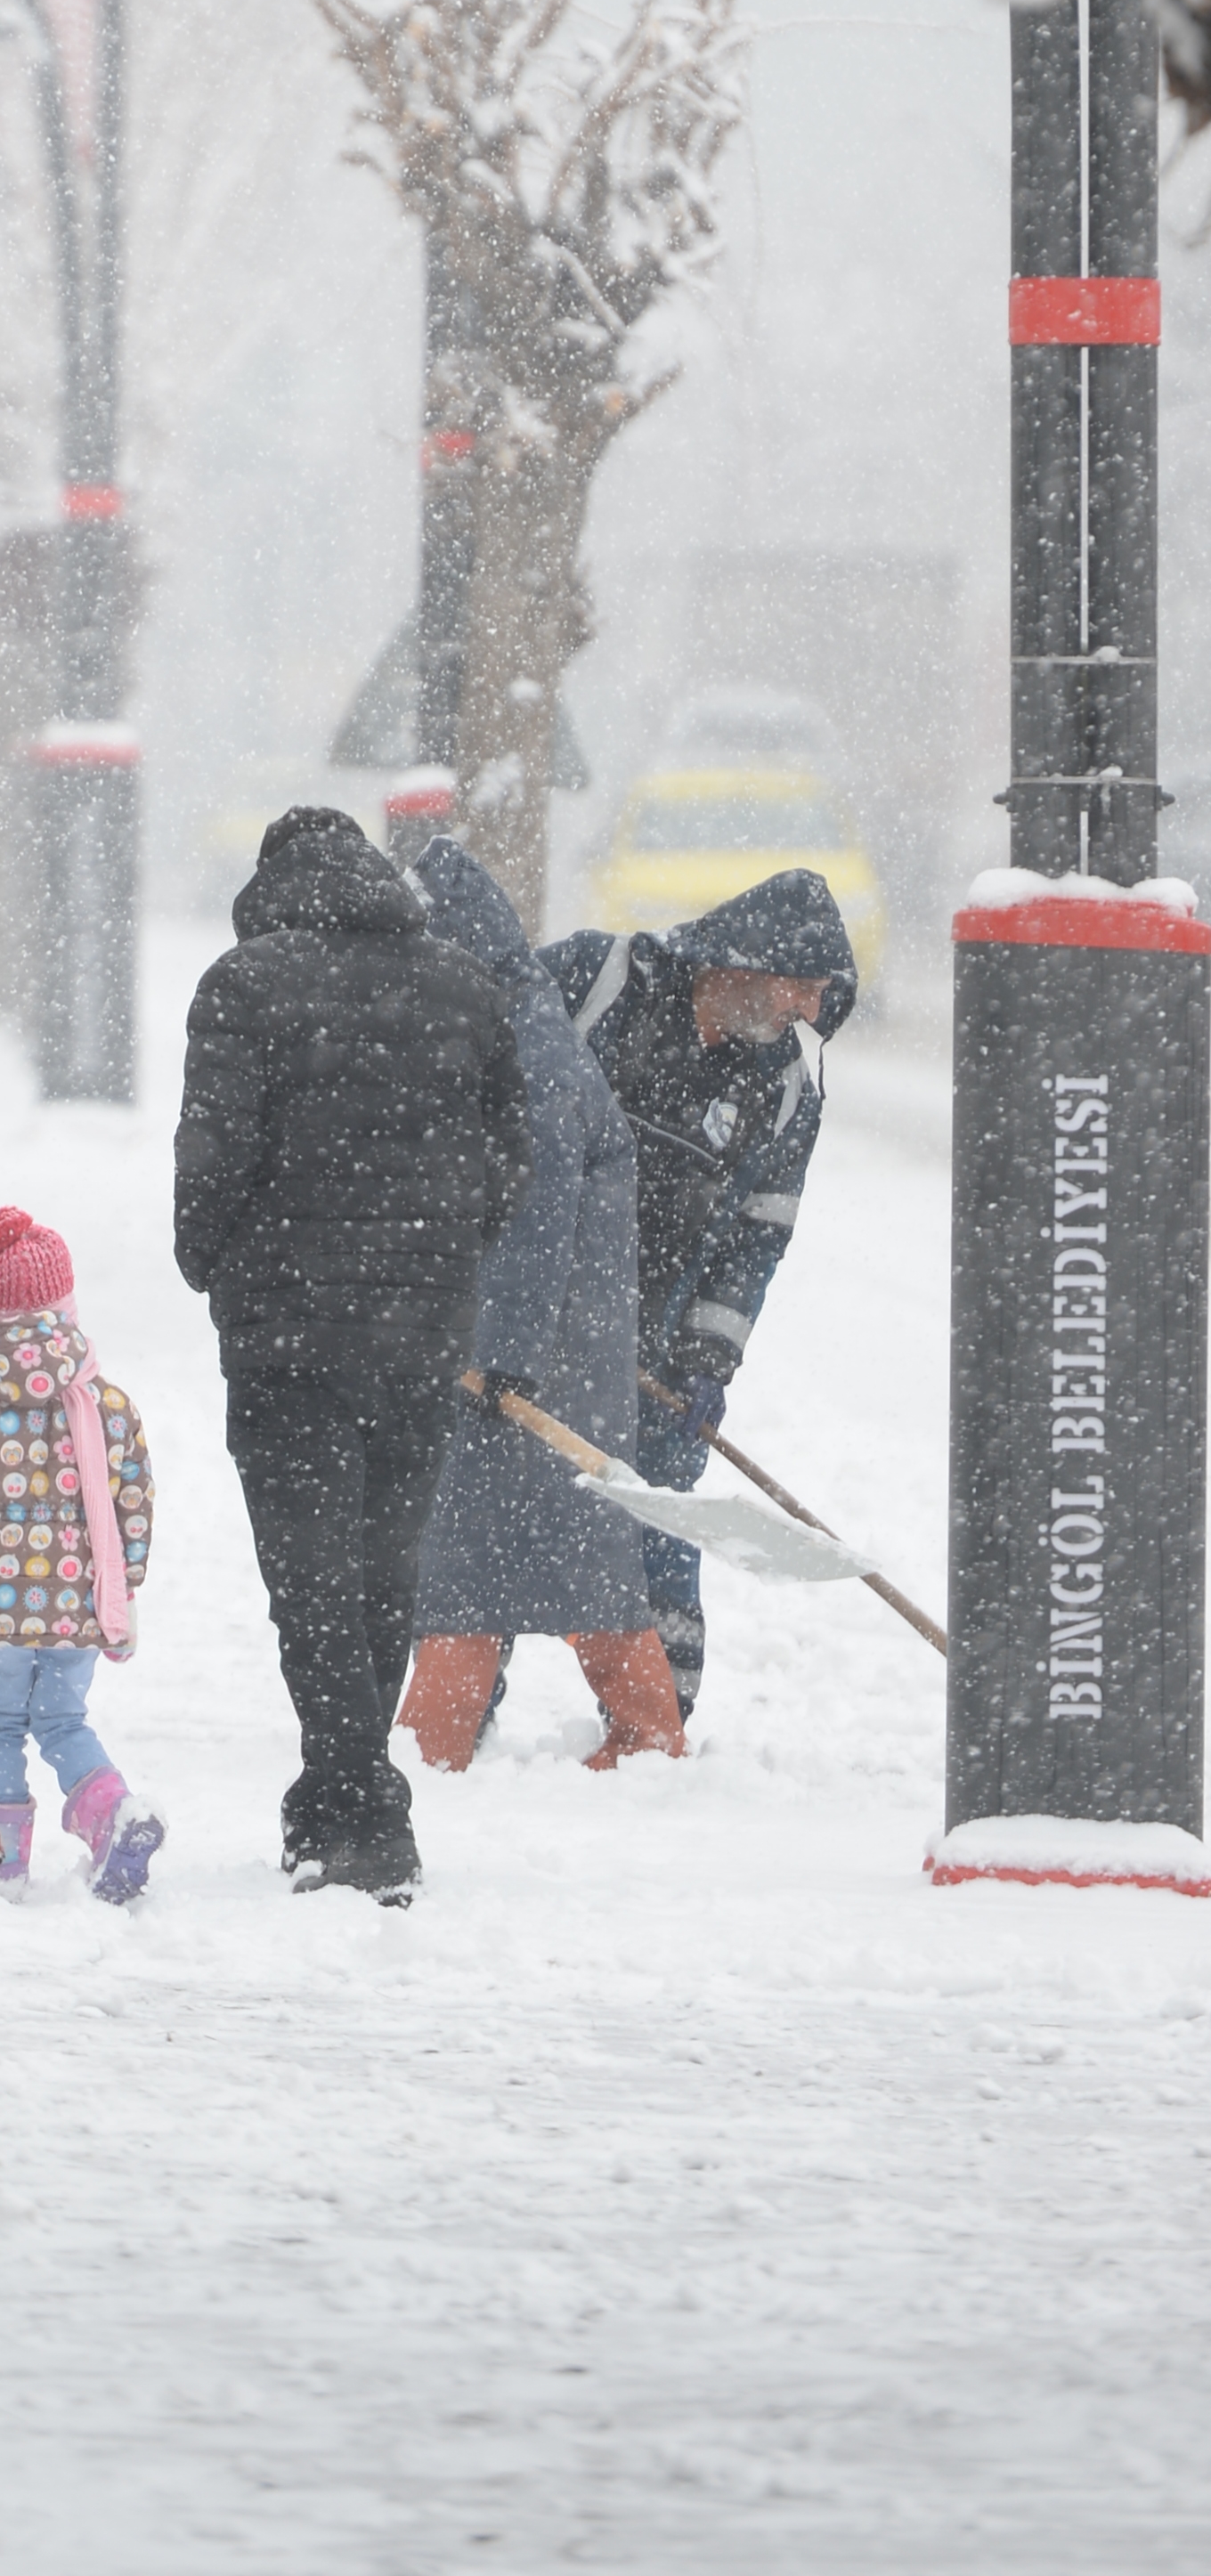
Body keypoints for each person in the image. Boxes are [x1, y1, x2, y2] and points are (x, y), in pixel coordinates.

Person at [173, 803, 528, 1902]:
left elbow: (209, 1162)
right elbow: (508, 1161)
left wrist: (215, 1258)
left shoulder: (245, 986)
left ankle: (359, 1804)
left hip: (287, 1332)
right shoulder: (467, 987)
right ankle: (338, 1800)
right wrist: (439, 1256)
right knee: (381, 1571)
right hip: (420, 1331)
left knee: (309, 1578)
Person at [393, 835, 685, 1774]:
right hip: (542, 1347)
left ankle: (442, 1749)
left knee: (497, 1561)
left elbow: (534, 1206)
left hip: (540, 1353)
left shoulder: (523, 1038)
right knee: (560, 1556)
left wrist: (502, 1349)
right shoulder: (500, 1021)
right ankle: (638, 1735)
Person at [540, 869, 858, 1719]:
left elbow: (761, 1233)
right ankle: (451, 1728)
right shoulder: (592, 985)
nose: (803, 1016)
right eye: (802, 993)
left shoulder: (785, 1090)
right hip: (530, 1325)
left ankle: (656, 1725)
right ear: (750, 963)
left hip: (660, 1350)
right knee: (495, 1516)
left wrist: (707, 1358)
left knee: (660, 1528)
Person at [0, 1206, 163, 1902]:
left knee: (0, 1723)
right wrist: (125, 1585)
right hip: (77, 1604)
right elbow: (132, 1498)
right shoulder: (103, 1403)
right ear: (66, 1307)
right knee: (65, 1720)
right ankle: (110, 1814)